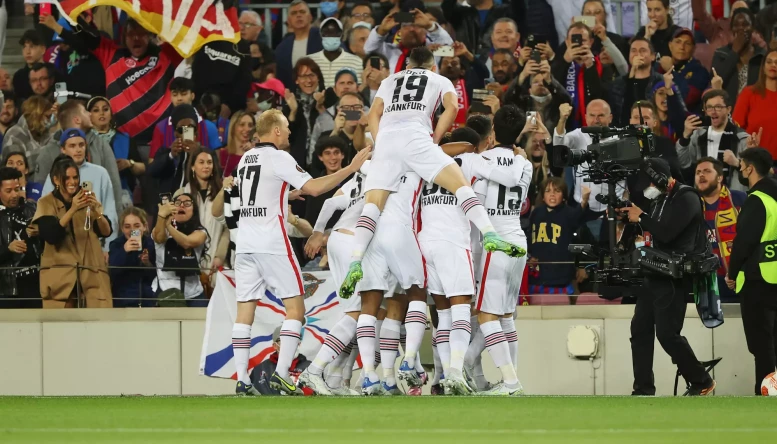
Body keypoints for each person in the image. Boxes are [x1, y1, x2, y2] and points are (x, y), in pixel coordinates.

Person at [338, 47, 525, 300]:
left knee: (372, 206)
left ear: (406, 67)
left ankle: (355, 261)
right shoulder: (439, 79)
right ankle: (490, 233)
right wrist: (435, 139)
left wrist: (380, 143)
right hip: (417, 137)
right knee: (459, 184)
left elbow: (373, 114)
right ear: (432, 66)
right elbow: (452, 106)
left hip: (387, 142)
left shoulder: (388, 80)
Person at [230, 109, 370, 396]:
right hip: (272, 245)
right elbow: (315, 188)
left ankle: (242, 379)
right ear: (276, 131)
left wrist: (286, 194)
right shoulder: (279, 157)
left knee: (244, 313)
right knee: (296, 311)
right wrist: (352, 167)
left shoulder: (246, 159)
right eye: (286, 129)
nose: (290, 133)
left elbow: (256, 195)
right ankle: (282, 374)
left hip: (245, 245)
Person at [437, 105, 533, 395]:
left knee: (486, 315)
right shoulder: (524, 164)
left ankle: (508, 381)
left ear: (492, 133)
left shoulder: (478, 161)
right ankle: (504, 378)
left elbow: (473, 204)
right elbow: (522, 197)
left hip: (493, 242)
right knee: (505, 315)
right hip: (518, 238)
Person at [618, 158, 717, 396]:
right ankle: (643, 389)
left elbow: (668, 233)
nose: (647, 188)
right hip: (654, 272)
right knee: (639, 329)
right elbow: (656, 235)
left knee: (667, 334)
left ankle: (701, 380)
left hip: (675, 276)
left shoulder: (687, 197)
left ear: (661, 178)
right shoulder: (660, 200)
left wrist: (641, 217)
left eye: (649, 182)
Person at [41, 15, 183, 144]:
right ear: (124, 37)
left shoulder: (166, 55)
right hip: (122, 141)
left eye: (141, 33)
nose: (136, 38)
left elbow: (189, 37)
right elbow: (86, 37)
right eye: (131, 34)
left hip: (161, 140)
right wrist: (57, 26)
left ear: (150, 35)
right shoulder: (111, 54)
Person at [724, 148, 777, 395]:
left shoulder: (757, 200)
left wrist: (732, 274)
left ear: (749, 168)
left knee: (762, 344)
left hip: (759, 280)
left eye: (742, 166)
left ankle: (765, 391)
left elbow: (744, 242)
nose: (741, 170)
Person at [34, 155, 113, 308]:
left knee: (97, 325)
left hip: (91, 274)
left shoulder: (87, 199)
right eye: (67, 178)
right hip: (60, 281)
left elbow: (106, 231)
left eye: (75, 177)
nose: (73, 182)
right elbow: (51, 236)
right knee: (61, 328)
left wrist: (97, 212)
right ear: (56, 180)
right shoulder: (45, 203)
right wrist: (73, 208)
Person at [33, 99, 123, 217]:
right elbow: (41, 194)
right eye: (85, 111)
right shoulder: (48, 152)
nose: (90, 114)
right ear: (77, 119)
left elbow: (114, 187)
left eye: (81, 145)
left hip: (99, 225)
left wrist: (115, 227)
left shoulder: (100, 145)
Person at [554, 99, 623, 239]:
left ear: (610, 117)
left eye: (601, 115)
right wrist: (562, 119)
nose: (596, 120)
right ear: (585, 117)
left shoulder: (620, 138)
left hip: (613, 208)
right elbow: (559, 145)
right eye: (592, 115)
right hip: (582, 207)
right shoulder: (579, 135)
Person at [694, 157, 747, 304]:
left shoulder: (738, 199)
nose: (701, 175)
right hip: (705, 286)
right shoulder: (691, 204)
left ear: (720, 177)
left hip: (738, 282)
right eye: (698, 172)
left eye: (706, 171)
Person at [528, 176, 590, 300]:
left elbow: (578, 214)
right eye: (548, 191)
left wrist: (584, 201)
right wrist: (530, 256)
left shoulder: (568, 213)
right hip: (537, 276)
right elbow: (530, 239)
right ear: (542, 195)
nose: (552, 195)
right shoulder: (536, 213)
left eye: (557, 191)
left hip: (561, 276)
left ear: (564, 196)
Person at [678, 89, 754, 188]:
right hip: (703, 196)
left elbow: (752, 173)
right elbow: (684, 163)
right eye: (709, 107)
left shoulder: (742, 138)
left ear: (728, 109)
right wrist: (685, 137)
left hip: (732, 197)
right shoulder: (698, 136)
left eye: (718, 107)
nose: (713, 112)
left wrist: (736, 162)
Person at [151, 192, 209, 307]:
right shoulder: (161, 228)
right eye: (177, 203)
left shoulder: (200, 232)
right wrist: (161, 217)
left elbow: (187, 243)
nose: (182, 206)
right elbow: (159, 238)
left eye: (187, 203)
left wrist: (169, 226)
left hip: (194, 294)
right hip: (165, 291)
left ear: (194, 211)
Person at [182, 147, 227, 290]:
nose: (206, 166)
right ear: (193, 167)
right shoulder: (182, 193)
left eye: (209, 162)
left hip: (216, 260)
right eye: (201, 162)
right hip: (189, 259)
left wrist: (220, 256)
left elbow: (228, 228)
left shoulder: (223, 193)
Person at [87, 96, 145, 208]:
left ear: (111, 113)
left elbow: (142, 168)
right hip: (92, 193)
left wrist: (129, 163)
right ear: (89, 115)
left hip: (122, 194)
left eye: (105, 109)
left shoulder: (125, 139)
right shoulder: (83, 141)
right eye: (96, 110)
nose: (101, 113)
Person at [149, 78, 223, 159]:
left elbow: (217, 163)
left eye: (183, 94)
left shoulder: (209, 127)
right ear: (170, 97)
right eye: (175, 94)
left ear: (192, 96)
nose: (179, 98)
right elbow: (153, 164)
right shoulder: (161, 127)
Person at [550, 23, 607, 129]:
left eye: (583, 40)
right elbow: (552, 88)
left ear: (591, 42)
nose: (579, 44)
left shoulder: (601, 66)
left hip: (592, 125)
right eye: (574, 40)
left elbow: (599, 95)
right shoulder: (557, 64)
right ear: (567, 42)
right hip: (563, 124)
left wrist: (590, 66)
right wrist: (565, 61)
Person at [0, 167, 41, 309]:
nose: (14, 195)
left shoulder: (32, 208)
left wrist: (40, 232)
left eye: (17, 189)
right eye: (8, 191)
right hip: (7, 288)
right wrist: (8, 249)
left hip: (35, 282)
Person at [364, 8, 453, 73]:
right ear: (399, 31)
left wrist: (431, 26)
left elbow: (450, 49)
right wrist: (381, 30)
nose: (411, 29)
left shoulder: (434, 50)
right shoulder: (389, 51)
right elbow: (369, 50)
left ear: (425, 30)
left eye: (417, 25)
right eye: (406, 25)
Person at [711, 7, 767, 105]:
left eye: (745, 24)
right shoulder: (721, 54)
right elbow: (716, 81)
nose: (741, 28)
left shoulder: (762, 56)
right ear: (732, 29)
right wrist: (734, 52)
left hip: (755, 109)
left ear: (753, 27)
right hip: (728, 112)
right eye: (736, 25)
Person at [694, 0, 766, 70]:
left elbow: (766, 54)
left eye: (742, 11)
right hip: (716, 75)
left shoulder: (754, 37)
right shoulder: (716, 29)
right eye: (735, 11)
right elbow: (700, 15)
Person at [733, 49, 777, 162]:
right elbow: (736, 126)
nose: (773, 65)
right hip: (755, 160)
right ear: (763, 67)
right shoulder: (749, 93)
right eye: (769, 62)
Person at [609, 37, 664, 126]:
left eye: (643, 50)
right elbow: (616, 114)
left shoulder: (661, 82)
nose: (637, 54)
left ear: (653, 56)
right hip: (625, 134)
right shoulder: (618, 84)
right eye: (633, 51)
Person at [109, 206, 156, 307]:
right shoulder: (116, 245)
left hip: (147, 300)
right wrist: (124, 251)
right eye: (127, 226)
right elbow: (112, 272)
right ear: (122, 228)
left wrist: (147, 263)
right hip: (122, 302)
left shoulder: (150, 244)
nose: (132, 230)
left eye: (136, 226)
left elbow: (155, 275)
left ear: (144, 226)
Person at [149, 105, 202, 195]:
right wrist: (171, 155)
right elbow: (152, 172)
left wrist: (197, 154)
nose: (186, 132)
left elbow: (214, 175)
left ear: (196, 132)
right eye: (181, 129)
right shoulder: (165, 152)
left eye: (190, 128)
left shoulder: (206, 153)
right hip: (170, 202)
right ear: (176, 133)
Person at [284, 58, 325, 171]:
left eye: (312, 75)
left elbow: (331, 132)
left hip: (323, 163)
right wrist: (293, 111)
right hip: (296, 165)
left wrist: (321, 108)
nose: (308, 80)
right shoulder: (290, 103)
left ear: (318, 78)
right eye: (303, 76)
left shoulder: (327, 100)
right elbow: (286, 139)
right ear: (297, 80)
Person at [659, 28, 711, 114]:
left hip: (687, 121)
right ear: (670, 45)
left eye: (687, 43)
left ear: (693, 49)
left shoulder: (700, 72)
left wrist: (671, 71)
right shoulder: (659, 67)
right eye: (678, 42)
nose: (682, 47)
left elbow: (685, 99)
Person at [440, 0, 520, 55]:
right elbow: (446, 6)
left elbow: (519, 6)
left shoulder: (506, 11)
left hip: (498, 68)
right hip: (466, 70)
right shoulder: (461, 14)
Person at [1, 95, 54, 176]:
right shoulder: (14, 134)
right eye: (47, 117)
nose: (50, 121)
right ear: (36, 115)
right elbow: (15, 168)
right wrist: (49, 152)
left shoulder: (45, 134)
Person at [275, 0, 323, 89]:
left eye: (302, 12)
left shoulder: (324, 39)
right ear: (289, 21)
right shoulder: (282, 48)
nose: (298, 15)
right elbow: (282, 80)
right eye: (294, 13)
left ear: (310, 17)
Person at [308, 18, 364, 89]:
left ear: (341, 35)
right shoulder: (309, 61)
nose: (330, 36)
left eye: (335, 33)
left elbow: (358, 89)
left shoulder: (356, 61)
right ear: (321, 34)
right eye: (326, 32)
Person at [213, 111, 256, 178]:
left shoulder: (257, 154)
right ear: (233, 128)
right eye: (242, 124)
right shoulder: (221, 154)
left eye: (250, 125)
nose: (247, 129)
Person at [12, 29, 47, 101]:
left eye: (32, 46)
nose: (27, 51)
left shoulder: (53, 73)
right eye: (24, 47)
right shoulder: (19, 76)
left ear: (43, 49)